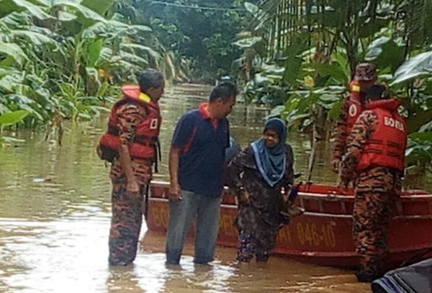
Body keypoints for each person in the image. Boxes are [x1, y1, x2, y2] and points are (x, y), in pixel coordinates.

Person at [338, 84, 406, 282]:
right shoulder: (399, 121)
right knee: (381, 230)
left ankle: (367, 275)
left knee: (365, 228)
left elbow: (352, 152)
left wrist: (344, 178)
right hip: (393, 185)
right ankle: (380, 273)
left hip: (371, 183)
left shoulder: (369, 116)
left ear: (368, 100)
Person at [165, 82, 238, 265]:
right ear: (220, 102)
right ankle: (171, 277)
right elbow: (175, 151)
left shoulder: (224, 124)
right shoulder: (190, 120)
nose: (231, 109)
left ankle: (202, 282)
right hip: (187, 187)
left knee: (206, 247)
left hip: (212, 191)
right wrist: (174, 183)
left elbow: (223, 156)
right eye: (230, 105)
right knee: (176, 238)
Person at [98, 69, 165, 266]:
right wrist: (131, 180)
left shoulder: (146, 107)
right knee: (123, 220)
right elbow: (123, 145)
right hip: (128, 175)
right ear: (152, 89)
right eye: (161, 89)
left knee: (135, 220)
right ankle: (118, 265)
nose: (163, 92)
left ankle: (127, 266)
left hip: (140, 173)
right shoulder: (132, 110)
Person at [228, 117, 295, 263]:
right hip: (251, 205)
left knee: (264, 253)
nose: (268, 139)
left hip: (271, 208)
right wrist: (240, 191)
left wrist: (289, 194)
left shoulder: (286, 153)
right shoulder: (253, 151)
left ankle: (259, 280)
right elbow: (232, 170)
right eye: (267, 134)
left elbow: (288, 177)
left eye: (273, 136)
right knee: (245, 253)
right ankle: (242, 279)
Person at [331, 62, 378, 174]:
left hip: (374, 154)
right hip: (353, 152)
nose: (364, 85)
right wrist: (337, 156)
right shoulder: (349, 102)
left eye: (367, 82)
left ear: (374, 79)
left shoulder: (383, 99)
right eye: (361, 82)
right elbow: (341, 129)